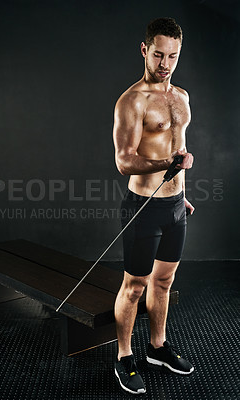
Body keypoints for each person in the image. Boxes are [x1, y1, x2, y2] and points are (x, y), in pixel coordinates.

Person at [113, 17, 195, 395]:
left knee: (163, 282)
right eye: (158, 54)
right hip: (143, 206)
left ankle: (157, 348)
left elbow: (177, 149)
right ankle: (124, 358)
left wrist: (182, 191)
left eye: (172, 56)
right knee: (134, 286)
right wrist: (168, 166)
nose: (165, 63)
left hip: (174, 204)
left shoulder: (181, 97)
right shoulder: (132, 101)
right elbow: (125, 160)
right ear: (145, 50)